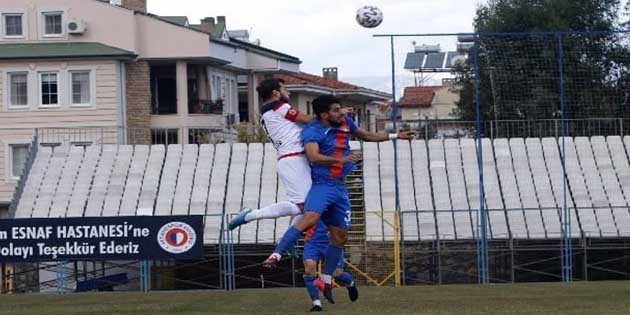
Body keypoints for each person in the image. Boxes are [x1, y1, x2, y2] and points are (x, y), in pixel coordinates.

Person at [264, 94, 415, 304]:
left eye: (340, 109)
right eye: (336, 110)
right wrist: (341, 158)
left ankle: (325, 280)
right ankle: (276, 254)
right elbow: (313, 156)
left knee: (340, 237)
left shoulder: (344, 122)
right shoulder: (312, 131)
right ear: (324, 114)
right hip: (322, 185)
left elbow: (366, 135)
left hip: (340, 188)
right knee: (309, 217)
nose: (340, 113)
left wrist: (396, 136)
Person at [228, 78, 312, 231]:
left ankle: (289, 239)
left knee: (306, 205)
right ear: (275, 93)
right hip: (293, 159)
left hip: (293, 159)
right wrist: (335, 115)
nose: (288, 92)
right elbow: (308, 119)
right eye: (285, 89)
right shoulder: (279, 107)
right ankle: (251, 215)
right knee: (305, 206)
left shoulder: (268, 111)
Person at [302, 220, 358, 312]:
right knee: (309, 269)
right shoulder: (312, 207)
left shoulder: (338, 207)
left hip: (333, 242)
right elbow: (297, 214)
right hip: (313, 243)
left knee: (336, 272)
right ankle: (317, 304)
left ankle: (350, 283)